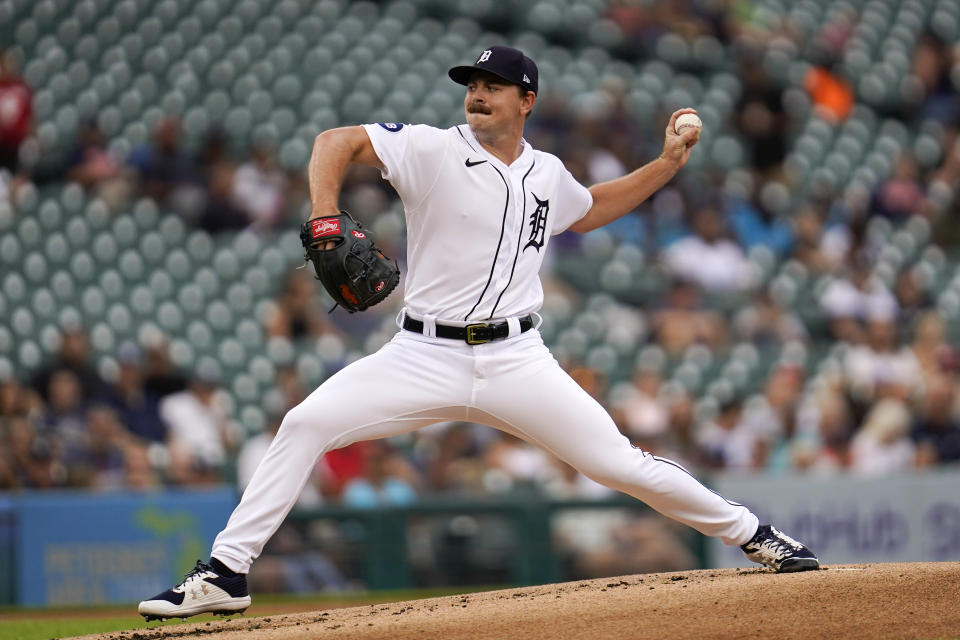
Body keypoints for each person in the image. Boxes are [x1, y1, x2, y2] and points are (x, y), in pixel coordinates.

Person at [138, 45, 819, 621]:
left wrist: (667, 165)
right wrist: (324, 211)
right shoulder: (432, 149)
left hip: (518, 358)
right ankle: (228, 573)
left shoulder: (548, 173)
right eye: (472, 86)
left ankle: (756, 535)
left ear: (527, 99)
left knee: (618, 464)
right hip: (420, 353)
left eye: (493, 86)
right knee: (305, 423)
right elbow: (334, 142)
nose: (478, 95)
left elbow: (591, 209)